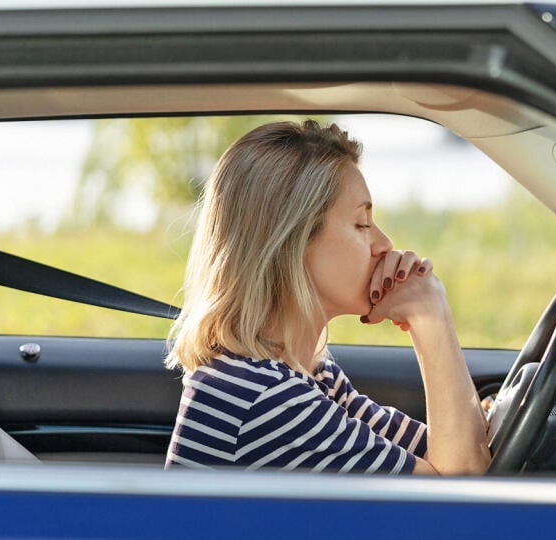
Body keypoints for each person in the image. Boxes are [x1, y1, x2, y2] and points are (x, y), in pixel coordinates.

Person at [164, 120, 491, 475]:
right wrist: (430, 315)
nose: (384, 244)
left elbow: (442, 451)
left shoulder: (306, 373)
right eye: (362, 224)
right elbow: (457, 494)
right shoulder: (267, 401)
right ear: (294, 243)